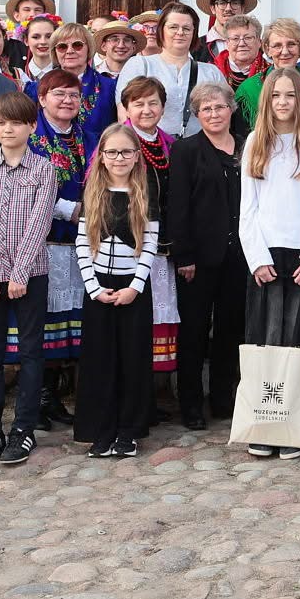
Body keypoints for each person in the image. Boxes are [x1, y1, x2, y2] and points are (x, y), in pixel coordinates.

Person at [237, 67, 300, 459]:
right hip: (266, 256)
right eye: (275, 95)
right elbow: (248, 209)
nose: (282, 102)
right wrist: (257, 258)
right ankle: (265, 424)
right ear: (267, 100)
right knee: (266, 337)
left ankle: (293, 427)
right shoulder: (254, 144)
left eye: (290, 95)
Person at [0, 90, 57, 465]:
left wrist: (20, 272)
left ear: (31, 127)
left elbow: (39, 222)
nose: (7, 129)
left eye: (16, 123)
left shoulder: (43, 169)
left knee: (31, 352)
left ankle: (24, 429)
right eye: (1, 122)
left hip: (29, 275)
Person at [72, 125, 159, 458]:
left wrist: (135, 287)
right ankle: (102, 429)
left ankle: (129, 430)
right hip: (99, 288)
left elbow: (150, 243)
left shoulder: (144, 192)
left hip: (133, 290)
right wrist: (93, 287)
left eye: (126, 152)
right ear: (102, 157)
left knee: (132, 361)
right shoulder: (94, 192)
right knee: (100, 360)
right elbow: (82, 242)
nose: (119, 158)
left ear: (137, 156)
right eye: (112, 152)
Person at [168, 83, 249, 428]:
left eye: (219, 107)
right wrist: (183, 254)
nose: (214, 114)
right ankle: (190, 404)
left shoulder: (248, 146)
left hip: (240, 256)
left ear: (231, 108)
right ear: (196, 114)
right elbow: (177, 206)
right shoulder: (186, 150)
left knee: (230, 331)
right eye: (205, 109)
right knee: (194, 332)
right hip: (198, 258)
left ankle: (221, 399)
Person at [22, 68, 93, 426]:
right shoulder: (31, 139)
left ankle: (52, 396)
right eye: (59, 94)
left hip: (78, 242)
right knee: (42, 319)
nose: (67, 101)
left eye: (73, 95)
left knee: (68, 320)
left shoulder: (87, 136)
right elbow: (25, 188)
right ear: (42, 98)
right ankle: (35, 398)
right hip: (43, 239)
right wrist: (73, 209)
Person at [121, 76, 181, 415]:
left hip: (163, 249)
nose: (147, 109)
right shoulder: (118, 141)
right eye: (139, 103)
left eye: (153, 102)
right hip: (129, 246)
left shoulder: (170, 143)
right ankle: (134, 396)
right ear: (127, 108)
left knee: (159, 316)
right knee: (134, 317)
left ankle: (153, 394)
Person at [117, 2, 224, 138]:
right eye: (173, 27)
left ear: (194, 33)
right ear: (161, 30)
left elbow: (225, 113)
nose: (180, 32)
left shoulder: (211, 72)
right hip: (151, 151)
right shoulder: (140, 65)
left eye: (186, 28)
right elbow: (124, 115)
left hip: (199, 152)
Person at [46, 21, 120, 148]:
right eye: (62, 47)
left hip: (98, 158)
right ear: (55, 52)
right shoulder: (40, 87)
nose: (70, 51)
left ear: (89, 49)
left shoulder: (110, 86)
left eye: (77, 45)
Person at [240, 17, 300, 123]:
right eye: (277, 46)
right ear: (267, 49)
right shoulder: (249, 88)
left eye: (291, 44)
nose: (285, 52)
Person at [193, 0, 257, 64]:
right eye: (222, 3)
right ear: (213, 8)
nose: (228, 8)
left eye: (234, 3)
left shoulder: (256, 44)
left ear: (242, 8)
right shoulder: (196, 47)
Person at [0, 0, 57, 74]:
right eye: (27, 10)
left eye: (37, 10)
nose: (32, 14)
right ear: (16, 15)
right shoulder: (6, 43)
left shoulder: (56, 42)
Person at [219, 15, 268, 91]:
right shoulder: (213, 72)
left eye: (248, 38)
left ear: (259, 42)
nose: (241, 43)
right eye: (235, 38)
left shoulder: (270, 71)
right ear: (227, 43)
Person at [11, 14, 61, 87]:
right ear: (26, 40)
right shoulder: (17, 75)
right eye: (36, 37)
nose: (43, 41)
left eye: (49, 36)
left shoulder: (65, 73)